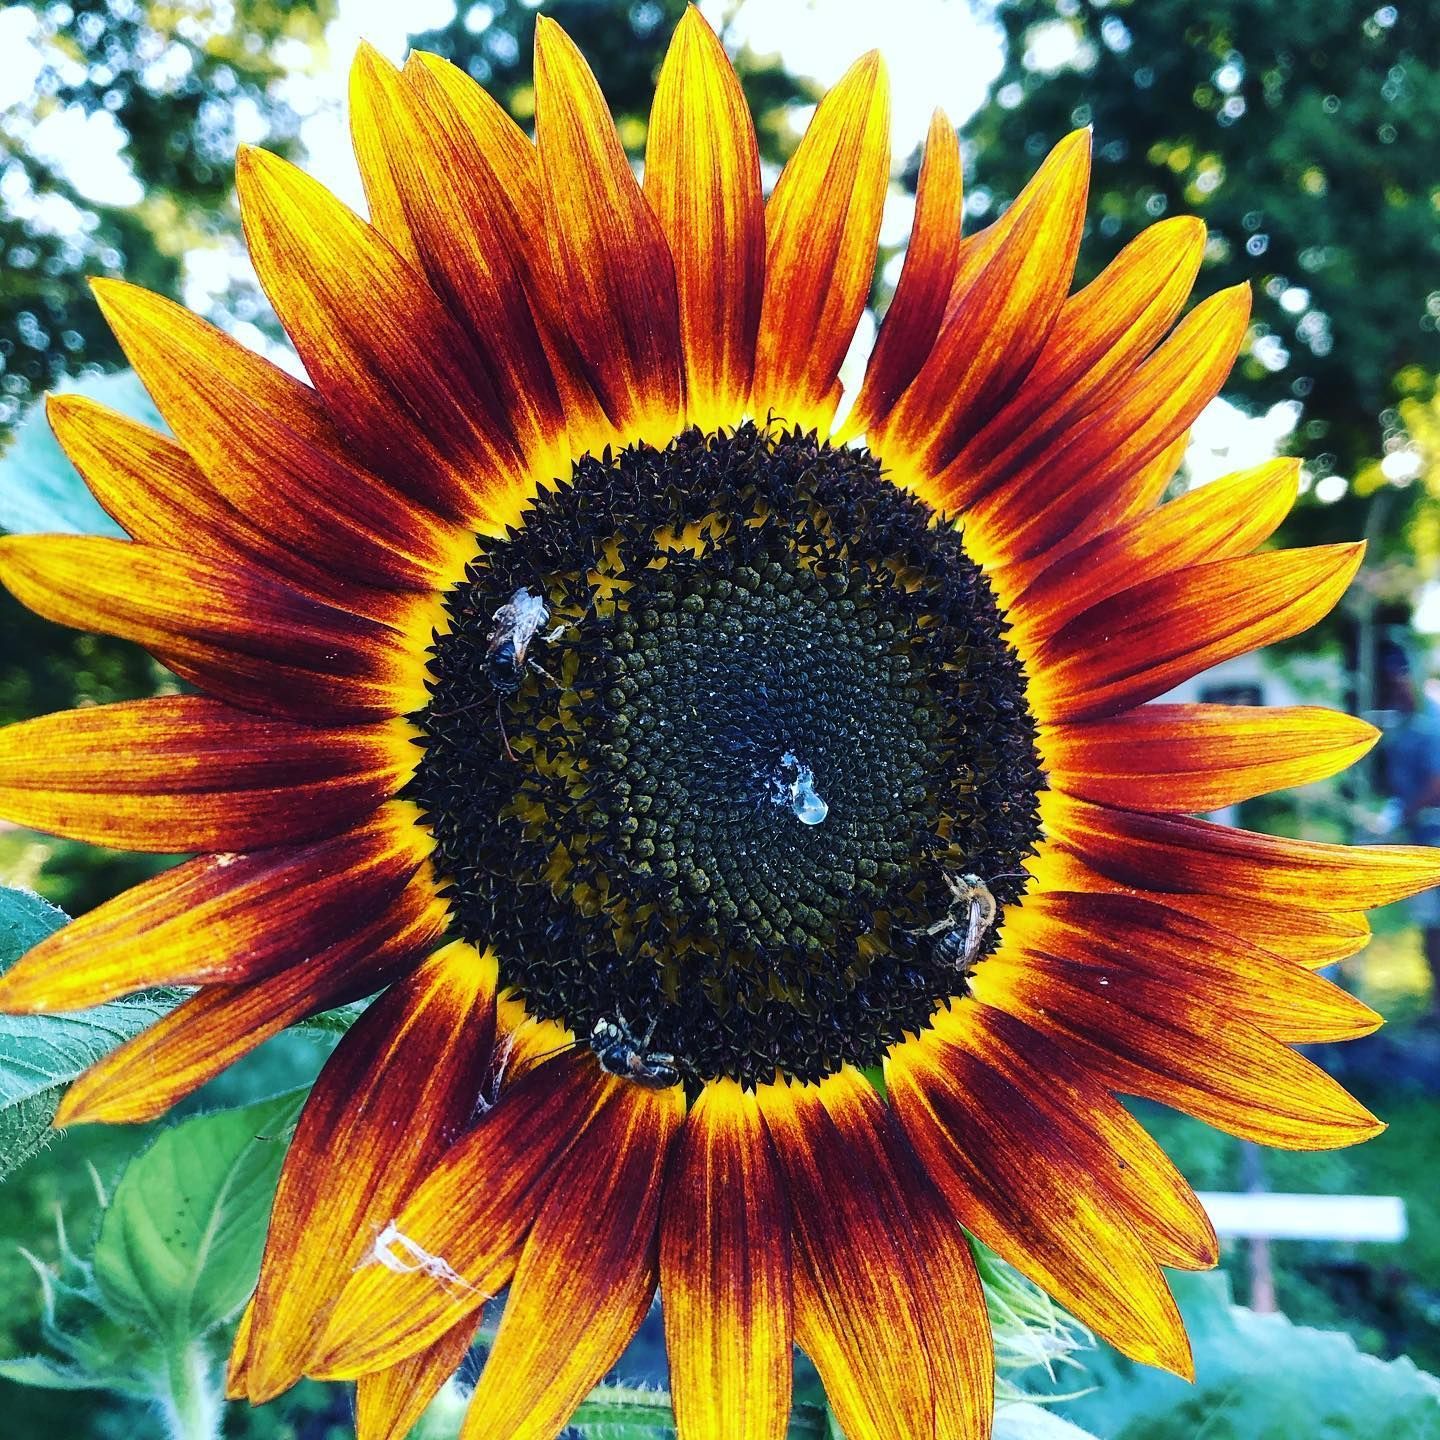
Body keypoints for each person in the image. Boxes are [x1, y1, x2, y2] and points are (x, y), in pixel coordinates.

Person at [1377, 642, 1440, 1017]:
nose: (1396, 686)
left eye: (1399, 677)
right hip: (1422, 839)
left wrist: (1401, 815)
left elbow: (1436, 782)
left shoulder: (1433, 722)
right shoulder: (1404, 724)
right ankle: (1436, 1000)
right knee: (1430, 926)